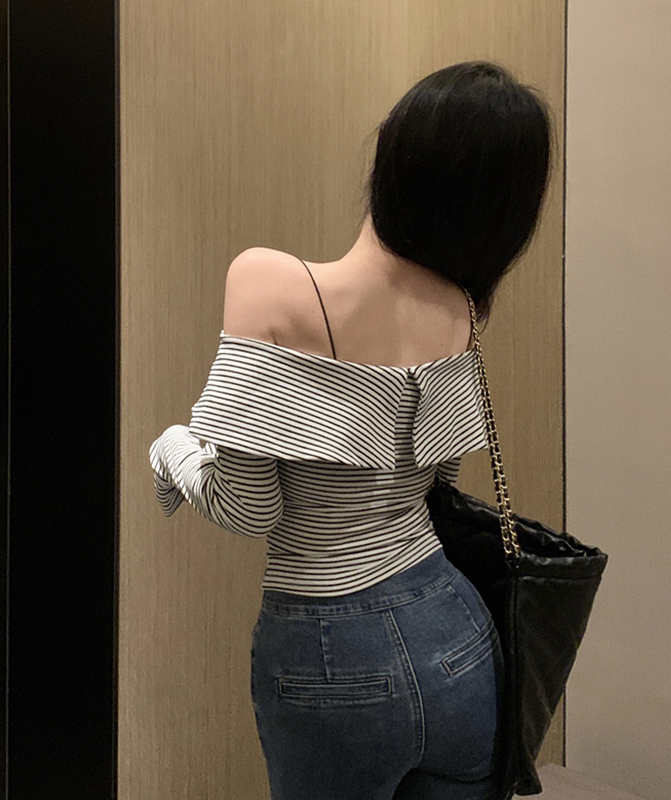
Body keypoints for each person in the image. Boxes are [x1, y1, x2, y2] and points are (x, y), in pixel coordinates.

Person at [149, 60, 552, 800]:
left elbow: (248, 507)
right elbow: (437, 485)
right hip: (457, 633)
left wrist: (172, 447)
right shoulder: (461, 309)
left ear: (393, 153)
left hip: (329, 650)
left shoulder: (268, 282)